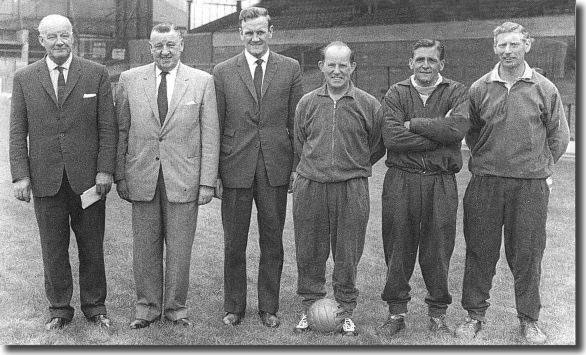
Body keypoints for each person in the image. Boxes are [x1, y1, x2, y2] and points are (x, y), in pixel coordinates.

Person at [454, 22, 569, 344]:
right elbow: (473, 133)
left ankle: (529, 320)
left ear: (527, 46)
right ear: (494, 48)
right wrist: (492, 160)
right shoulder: (479, 88)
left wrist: (538, 168)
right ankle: (473, 315)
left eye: (514, 45)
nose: (508, 51)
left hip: (529, 187)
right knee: (479, 252)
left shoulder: (545, 88)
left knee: (527, 254)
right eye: (502, 45)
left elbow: (558, 136)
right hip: (486, 183)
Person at [9, 14, 117, 331]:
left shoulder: (96, 74)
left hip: (89, 181)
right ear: (41, 40)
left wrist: (105, 170)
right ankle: (59, 308)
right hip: (46, 180)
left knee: (92, 247)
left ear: (74, 37)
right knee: (53, 249)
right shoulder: (25, 78)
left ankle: (96, 307)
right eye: (52, 37)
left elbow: (108, 129)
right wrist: (21, 175)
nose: (60, 42)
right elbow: (17, 133)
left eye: (65, 35)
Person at [115, 23, 219, 329]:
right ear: (150, 48)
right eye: (158, 46)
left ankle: (175, 308)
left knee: (179, 249)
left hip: (184, 179)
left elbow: (210, 135)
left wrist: (206, 182)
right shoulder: (129, 79)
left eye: (170, 45)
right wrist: (121, 175)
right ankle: (146, 308)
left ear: (182, 45)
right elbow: (122, 130)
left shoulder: (202, 82)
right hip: (142, 176)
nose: (164, 51)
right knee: (145, 248)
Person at [212, 6, 303, 328]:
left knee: (272, 241)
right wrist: (215, 174)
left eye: (260, 32)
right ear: (240, 34)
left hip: (275, 168)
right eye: (249, 32)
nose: (254, 38)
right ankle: (234, 305)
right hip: (235, 167)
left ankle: (269, 307)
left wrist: (295, 166)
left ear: (271, 32)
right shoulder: (222, 71)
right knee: (233, 242)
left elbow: (297, 123)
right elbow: (216, 125)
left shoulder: (290, 68)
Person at [376, 39, 470, 336]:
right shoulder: (396, 92)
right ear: (410, 63)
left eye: (431, 60)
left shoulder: (456, 91)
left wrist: (413, 124)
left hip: (440, 181)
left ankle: (438, 313)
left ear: (441, 64)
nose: (425, 65)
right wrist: (438, 135)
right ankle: (396, 313)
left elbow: (456, 130)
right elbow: (391, 138)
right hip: (401, 179)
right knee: (397, 245)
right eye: (420, 60)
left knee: (439, 248)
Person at [292, 41, 383, 336]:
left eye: (343, 65)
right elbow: (300, 141)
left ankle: (344, 310)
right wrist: (318, 167)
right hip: (311, 185)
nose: (336, 70)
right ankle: (310, 307)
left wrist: (351, 165)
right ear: (321, 67)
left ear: (353, 67)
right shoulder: (307, 102)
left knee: (347, 253)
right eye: (331, 64)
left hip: (351, 187)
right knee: (310, 251)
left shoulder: (368, 103)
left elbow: (376, 146)